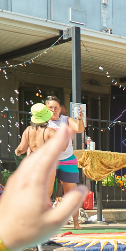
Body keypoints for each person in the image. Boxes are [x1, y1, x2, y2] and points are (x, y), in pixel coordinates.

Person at [44, 96, 86, 229]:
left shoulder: (66, 120)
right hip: (50, 161)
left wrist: (80, 119)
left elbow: (79, 129)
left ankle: (76, 223)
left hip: (67, 159)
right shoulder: (43, 122)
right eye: (50, 107)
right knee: (47, 193)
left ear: (60, 109)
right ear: (46, 109)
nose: (53, 110)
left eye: (56, 108)